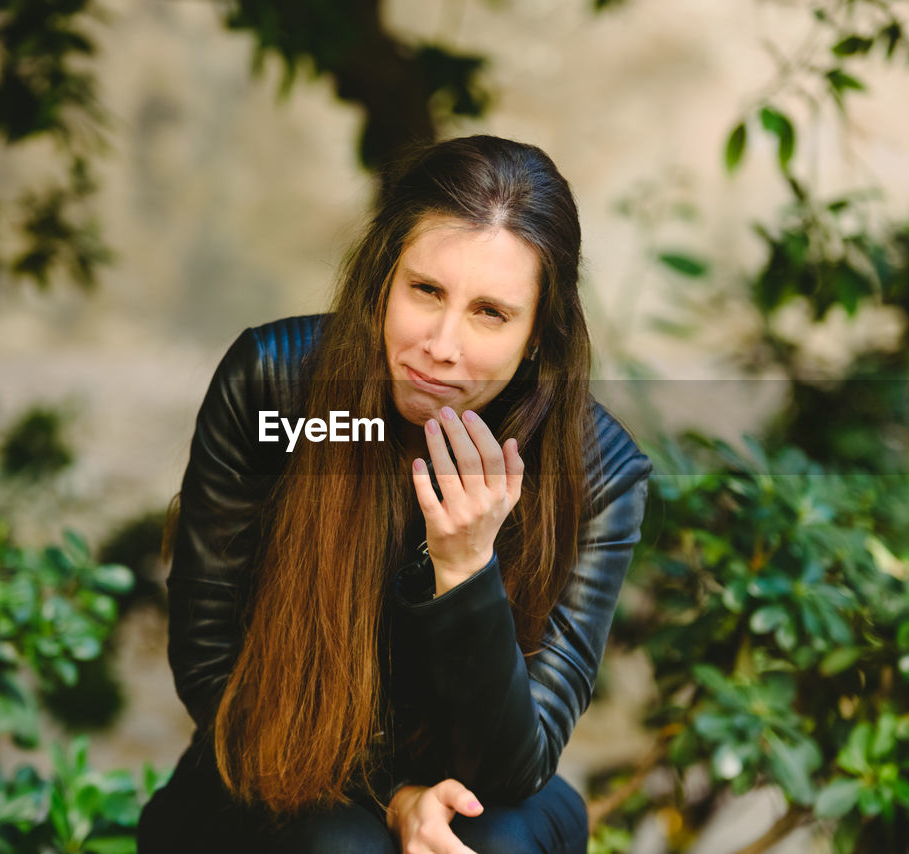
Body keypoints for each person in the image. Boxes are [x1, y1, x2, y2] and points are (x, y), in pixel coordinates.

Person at [137, 134, 652, 854]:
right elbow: (208, 666)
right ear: (385, 281)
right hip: (268, 770)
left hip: (484, 789)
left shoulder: (597, 477)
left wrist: (467, 568)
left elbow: (515, 763)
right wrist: (392, 799)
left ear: (539, 335)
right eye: (427, 291)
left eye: (490, 313)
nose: (443, 344)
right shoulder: (275, 390)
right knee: (343, 847)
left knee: (490, 842)